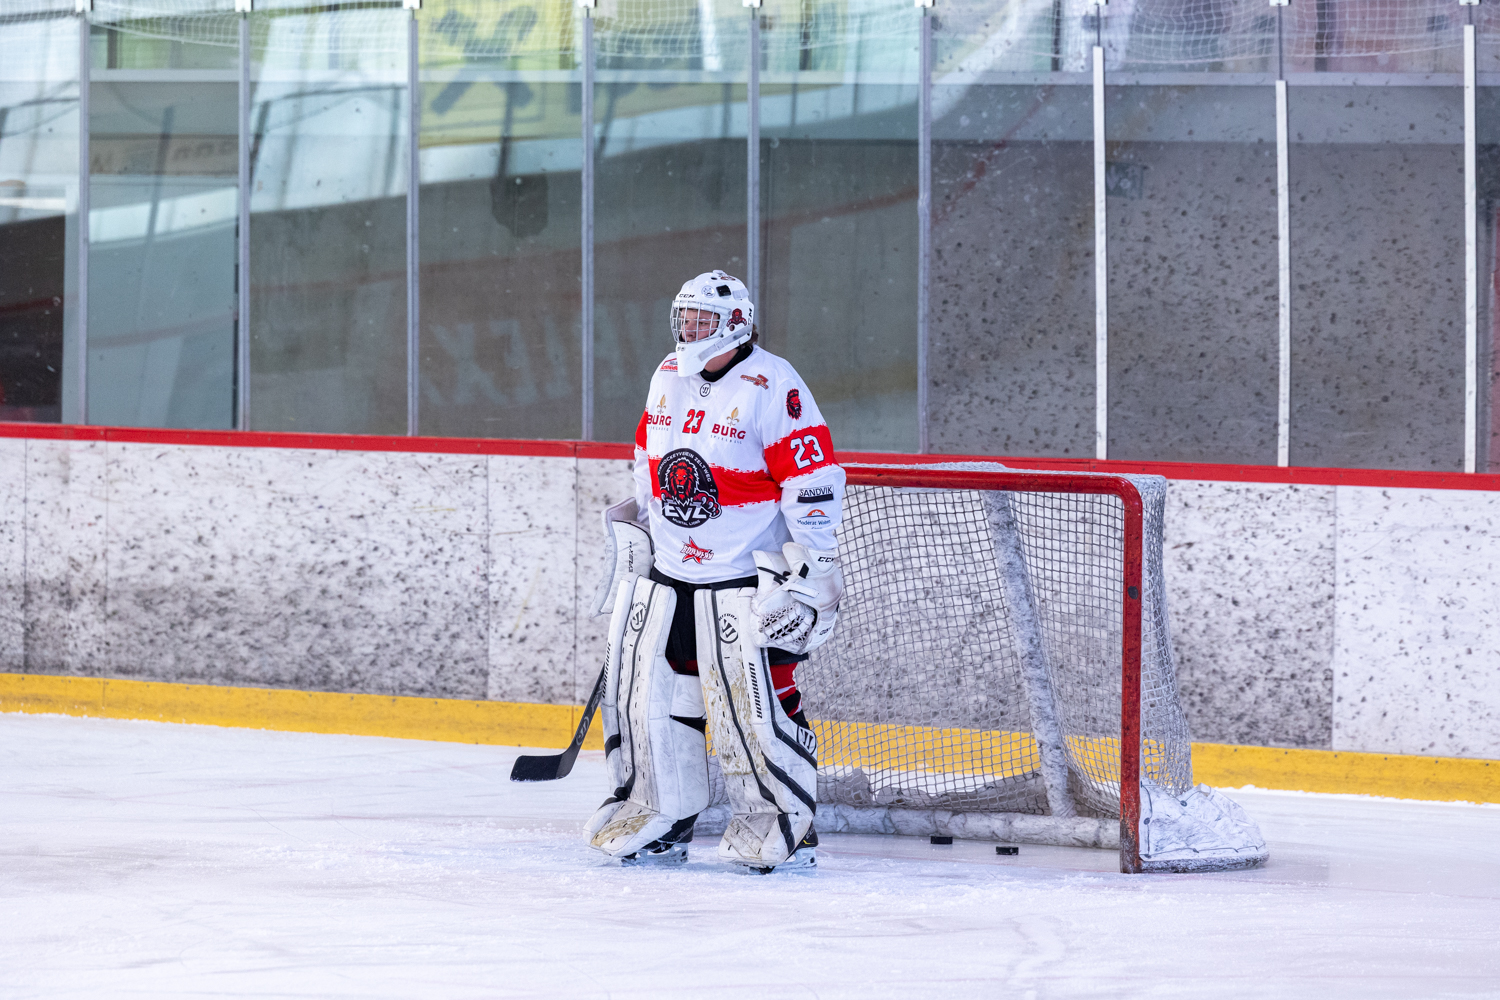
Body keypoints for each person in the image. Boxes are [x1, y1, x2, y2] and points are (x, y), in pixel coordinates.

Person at [585, 269, 845, 873]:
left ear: (736, 323)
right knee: (654, 698)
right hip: (673, 574)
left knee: (755, 701)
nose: (690, 330)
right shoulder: (667, 374)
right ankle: (663, 815)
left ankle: (788, 821)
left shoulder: (773, 383)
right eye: (686, 318)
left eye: (702, 319)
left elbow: (810, 479)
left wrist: (815, 566)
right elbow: (647, 456)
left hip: (745, 577)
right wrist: (643, 526)